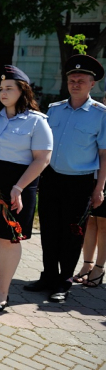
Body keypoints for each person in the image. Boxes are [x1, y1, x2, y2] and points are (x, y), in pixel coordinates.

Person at [0, 65, 52, 312]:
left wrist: (19, 187)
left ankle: (2, 291)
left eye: (9, 88)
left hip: (19, 186)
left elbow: (42, 159)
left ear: (22, 91)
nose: (3, 93)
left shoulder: (37, 122)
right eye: (1, 88)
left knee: (9, 239)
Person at [28, 55, 106, 301]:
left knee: (72, 234)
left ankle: (64, 281)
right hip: (51, 179)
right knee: (49, 230)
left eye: (81, 80)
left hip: (80, 183)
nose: (75, 83)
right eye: (72, 79)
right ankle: (48, 275)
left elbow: (105, 155)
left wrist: (99, 189)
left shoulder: (100, 114)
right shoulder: (54, 109)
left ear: (92, 84)